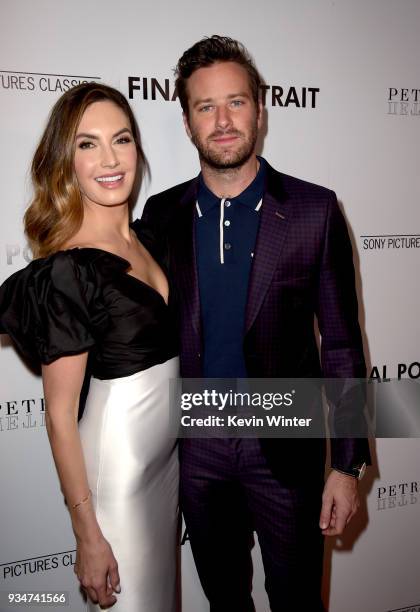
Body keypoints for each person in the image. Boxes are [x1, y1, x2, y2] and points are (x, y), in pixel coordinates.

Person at [137, 36, 371, 611]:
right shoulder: (161, 216)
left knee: (297, 602)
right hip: (195, 446)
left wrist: (346, 463)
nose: (222, 121)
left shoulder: (314, 211)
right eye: (204, 107)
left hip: (285, 445)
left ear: (260, 111)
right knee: (224, 601)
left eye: (236, 103)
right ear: (187, 122)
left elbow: (341, 344)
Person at [0, 83, 179, 611]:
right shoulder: (69, 270)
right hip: (116, 476)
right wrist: (87, 533)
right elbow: (58, 415)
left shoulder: (149, 239)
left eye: (121, 139)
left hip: (165, 472)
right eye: (87, 144)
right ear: (66, 161)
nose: (109, 158)